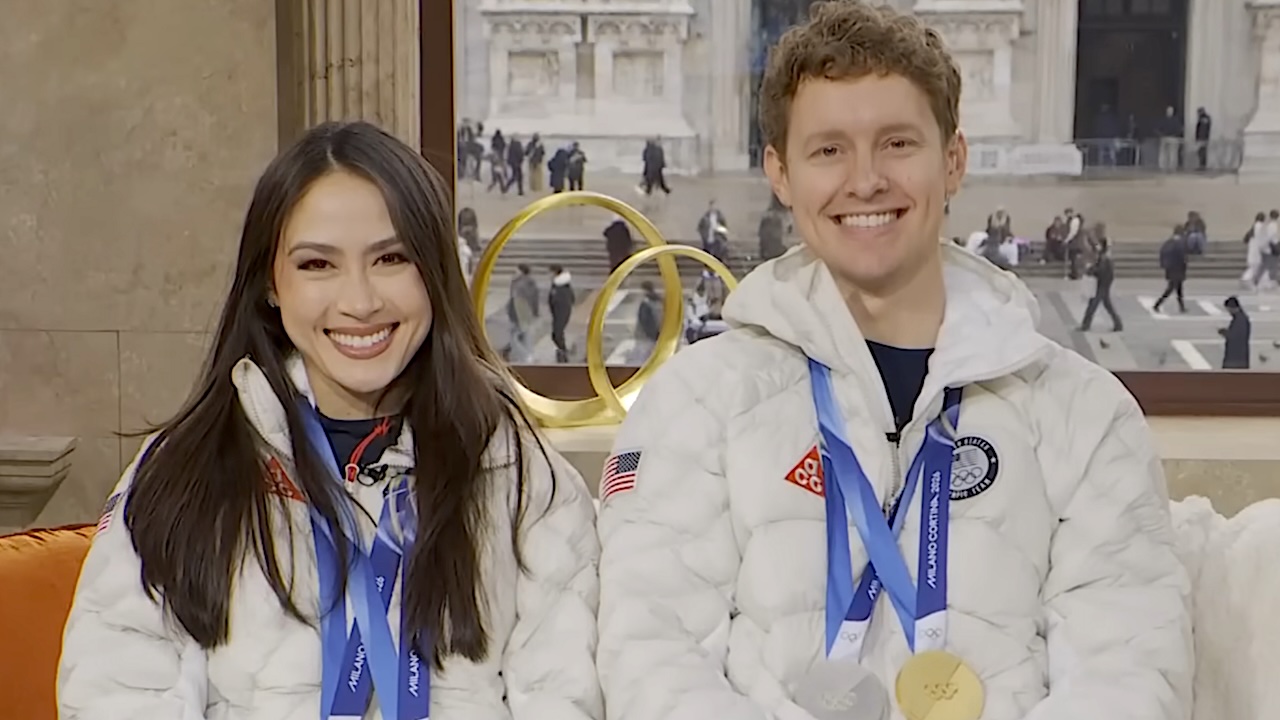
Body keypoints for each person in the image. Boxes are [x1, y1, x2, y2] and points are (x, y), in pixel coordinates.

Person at [595, 4, 1191, 720]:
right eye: (828, 151)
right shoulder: (695, 403)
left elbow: (1126, 673)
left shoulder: (1086, 417)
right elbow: (653, 657)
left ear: (954, 160)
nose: (867, 180)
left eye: (898, 143)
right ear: (780, 174)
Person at [59, 122, 602, 720]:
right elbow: (117, 693)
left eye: (391, 258)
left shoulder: (524, 478)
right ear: (270, 282)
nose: (361, 301)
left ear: (435, 272)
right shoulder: (181, 474)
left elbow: (565, 696)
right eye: (318, 265)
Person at [1079, 231, 1123, 332]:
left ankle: (1086, 325)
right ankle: (1118, 324)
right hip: (1104, 282)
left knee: (1093, 304)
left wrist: (1091, 270)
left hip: (1102, 283)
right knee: (1107, 304)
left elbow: (1100, 270)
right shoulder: (1104, 256)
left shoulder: (1104, 257)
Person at [1154, 225, 1188, 314]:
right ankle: (1157, 304)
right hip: (1177, 268)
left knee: (1178, 288)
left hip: (1170, 268)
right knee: (1171, 288)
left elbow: (1162, 253)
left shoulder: (1169, 242)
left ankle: (1182, 307)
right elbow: (1182, 257)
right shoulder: (1180, 243)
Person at [1220, 295, 1252, 369]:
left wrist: (1224, 332)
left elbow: (1235, 336)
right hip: (1238, 356)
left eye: (1229, 309)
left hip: (1236, 357)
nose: (1229, 312)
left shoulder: (1240, 320)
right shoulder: (1241, 318)